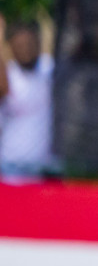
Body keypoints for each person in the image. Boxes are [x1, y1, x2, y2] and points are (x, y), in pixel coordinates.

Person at [0, 15, 59, 182]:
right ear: (11, 47)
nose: (26, 50)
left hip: (45, 172)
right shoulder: (7, 76)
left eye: (30, 44)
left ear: (39, 43)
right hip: (11, 172)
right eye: (19, 45)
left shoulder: (49, 69)